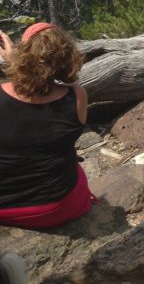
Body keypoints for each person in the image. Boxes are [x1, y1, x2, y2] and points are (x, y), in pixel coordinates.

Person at [0, 22, 95, 229]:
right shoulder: (77, 96)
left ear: (24, 55)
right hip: (59, 206)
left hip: (4, 209)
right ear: (67, 57)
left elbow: (24, 94)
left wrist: (13, 64)